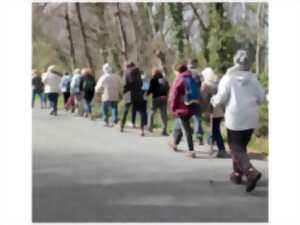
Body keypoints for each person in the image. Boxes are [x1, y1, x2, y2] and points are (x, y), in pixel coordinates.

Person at [211, 50, 265, 192]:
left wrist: (213, 100)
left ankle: (250, 171)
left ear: (235, 61)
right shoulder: (253, 78)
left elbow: (221, 97)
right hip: (251, 116)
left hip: (235, 116)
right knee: (241, 146)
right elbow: (261, 98)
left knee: (236, 147)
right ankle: (237, 174)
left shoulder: (228, 78)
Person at [168, 64, 200, 158]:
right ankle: (175, 143)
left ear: (178, 71)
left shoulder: (179, 79)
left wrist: (173, 108)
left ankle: (191, 150)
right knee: (180, 125)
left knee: (186, 129)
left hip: (182, 108)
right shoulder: (191, 78)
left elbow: (174, 95)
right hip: (192, 106)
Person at [201, 67, 228, 158]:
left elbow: (204, 99)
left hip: (212, 109)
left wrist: (203, 110)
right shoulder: (217, 84)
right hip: (219, 109)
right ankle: (213, 145)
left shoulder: (205, 85)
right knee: (215, 129)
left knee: (215, 130)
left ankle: (221, 149)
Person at [121, 62, 147, 136]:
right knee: (141, 112)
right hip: (138, 94)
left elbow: (125, 84)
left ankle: (122, 126)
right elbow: (142, 83)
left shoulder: (126, 73)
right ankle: (142, 130)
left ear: (128, 67)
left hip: (129, 94)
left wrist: (124, 92)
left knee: (126, 110)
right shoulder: (139, 72)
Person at [147, 68, 169, 136]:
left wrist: (146, 95)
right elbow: (168, 88)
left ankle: (150, 127)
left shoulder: (154, 80)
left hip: (156, 99)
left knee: (151, 113)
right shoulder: (164, 80)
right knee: (164, 115)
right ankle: (164, 130)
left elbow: (150, 89)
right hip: (164, 99)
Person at [188, 59, 204, 145]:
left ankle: (178, 137)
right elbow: (201, 86)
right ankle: (199, 137)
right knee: (197, 118)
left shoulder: (186, 73)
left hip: (187, 98)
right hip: (197, 98)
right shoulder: (199, 73)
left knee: (184, 118)